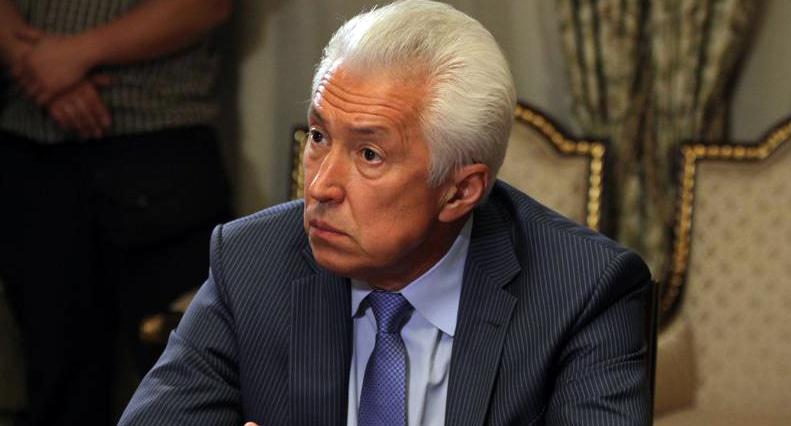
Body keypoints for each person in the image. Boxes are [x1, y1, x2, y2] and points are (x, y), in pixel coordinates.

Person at [120, 1, 652, 425]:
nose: (320, 186)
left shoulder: (582, 293)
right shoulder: (251, 262)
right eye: (319, 137)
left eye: (370, 154)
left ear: (460, 192)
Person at [0, 0, 232, 424]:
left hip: (158, 143)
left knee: (185, 380)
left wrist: (74, 55)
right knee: (55, 383)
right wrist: (30, 61)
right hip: (31, 145)